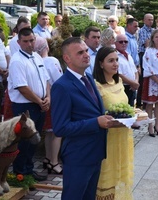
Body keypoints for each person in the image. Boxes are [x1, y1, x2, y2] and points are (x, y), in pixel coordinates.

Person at [51, 37, 114, 200]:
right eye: (80, 52)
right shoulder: (61, 86)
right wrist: (96, 122)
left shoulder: (88, 77)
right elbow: (60, 128)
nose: (86, 55)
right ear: (67, 58)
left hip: (95, 152)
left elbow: (92, 111)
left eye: (86, 50)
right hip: (78, 156)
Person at [8, 27, 50, 181]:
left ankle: (29, 169)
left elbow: (46, 80)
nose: (29, 44)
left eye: (32, 40)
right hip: (25, 107)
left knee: (34, 139)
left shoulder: (37, 57)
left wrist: (48, 98)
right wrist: (40, 101)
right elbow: (22, 88)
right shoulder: (17, 61)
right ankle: (20, 172)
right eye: (25, 41)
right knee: (24, 142)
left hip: (39, 105)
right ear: (19, 42)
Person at [93, 46, 134, 199]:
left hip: (123, 135)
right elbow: (97, 113)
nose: (116, 63)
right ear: (101, 64)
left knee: (120, 172)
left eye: (116, 60)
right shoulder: (96, 85)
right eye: (111, 61)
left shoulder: (119, 81)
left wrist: (134, 117)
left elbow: (125, 108)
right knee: (107, 172)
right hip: (107, 137)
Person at [33, 36, 63, 175]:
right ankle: (54, 161)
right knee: (57, 132)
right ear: (47, 46)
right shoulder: (52, 61)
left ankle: (48, 157)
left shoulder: (37, 61)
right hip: (56, 98)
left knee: (49, 132)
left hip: (46, 97)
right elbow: (59, 80)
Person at [115, 34, 139, 106]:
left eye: (126, 42)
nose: (124, 43)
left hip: (132, 87)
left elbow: (135, 71)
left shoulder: (128, 55)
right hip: (123, 87)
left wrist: (136, 82)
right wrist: (133, 83)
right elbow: (118, 74)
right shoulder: (115, 56)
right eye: (121, 42)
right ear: (115, 43)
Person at [137, 13, 154, 108]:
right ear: (144, 20)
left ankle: (148, 101)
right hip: (143, 55)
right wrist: (152, 43)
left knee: (150, 78)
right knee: (142, 79)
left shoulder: (154, 30)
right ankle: (140, 102)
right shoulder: (142, 31)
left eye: (152, 19)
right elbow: (146, 44)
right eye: (149, 19)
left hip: (152, 56)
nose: (150, 21)